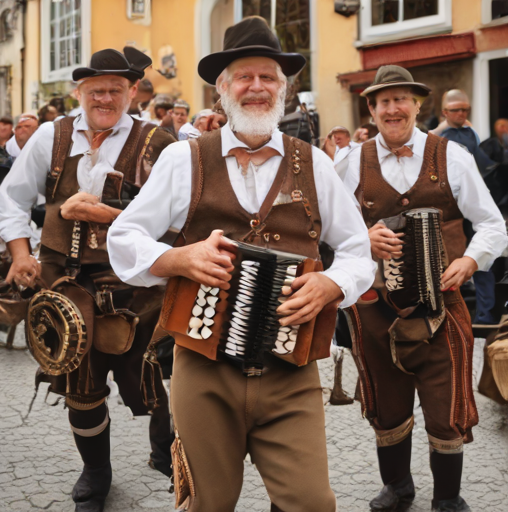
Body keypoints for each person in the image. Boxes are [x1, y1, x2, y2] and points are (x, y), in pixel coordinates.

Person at [107, 16, 375, 512]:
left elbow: (358, 251)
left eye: (268, 77)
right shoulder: (185, 159)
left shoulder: (313, 162)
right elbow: (123, 237)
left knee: (313, 503)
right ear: (222, 88)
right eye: (244, 77)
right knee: (209, 504)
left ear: (285, 89)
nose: (256, 88)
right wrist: (177, 257)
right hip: (204, 370)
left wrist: (333, 285)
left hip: (291, 372)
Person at [0, 47, 176, 512]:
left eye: (116, 89)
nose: (105, 98)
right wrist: (19, 252)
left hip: (137, 288)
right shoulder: (50, 138)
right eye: (96, 90)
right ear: (79, 92)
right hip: (64, 287)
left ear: (132, 92)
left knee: (152, 378)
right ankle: (96, 473)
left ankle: (166, 451)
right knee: (80, 385)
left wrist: (106, 212)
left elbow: (182, 219)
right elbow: (12, 198)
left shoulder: (159, 142)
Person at [343, 65, 508, 512]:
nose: (393, 109)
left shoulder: (452, 156)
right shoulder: (348, 162)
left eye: (402, 100)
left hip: (443, 307)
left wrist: (471, 260)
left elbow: (493, 225)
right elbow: (325, 231)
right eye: (383, 101)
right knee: (385, 401)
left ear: (418, 105)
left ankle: (448, 498)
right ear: (372, 110)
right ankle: (397, 488)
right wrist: (362, 239)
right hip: (375, 308)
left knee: (445, 402)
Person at [437, 90, 500, 326]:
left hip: (474, 206)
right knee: (449, 261)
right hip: (452, 212)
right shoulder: (441, 137)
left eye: (465, 109)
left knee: (481, 257)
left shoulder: (469, 133)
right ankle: (457, 315)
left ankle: (484, 314)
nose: (461, 113)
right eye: (455, 110)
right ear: (445, 112)